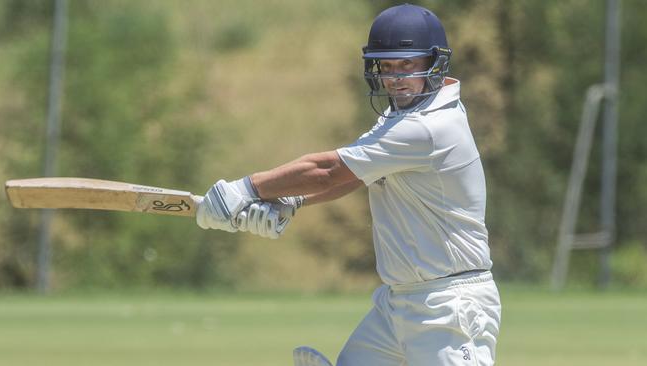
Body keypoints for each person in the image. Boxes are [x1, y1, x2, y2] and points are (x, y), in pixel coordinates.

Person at [196, 4, 501, 366]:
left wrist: (245, 189)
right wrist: (290, 200)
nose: (395, 78)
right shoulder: (402, 115)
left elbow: (330, 169)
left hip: (450, 305)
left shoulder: (427, 128)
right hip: (398, 303)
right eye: (386, 66)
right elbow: (356, 173)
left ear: (434, 62)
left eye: (407, 64)